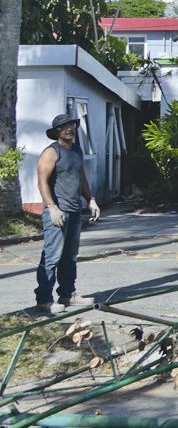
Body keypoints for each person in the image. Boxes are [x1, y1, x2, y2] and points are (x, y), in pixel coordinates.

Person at [34, 112, 100, 314]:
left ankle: (67, 295)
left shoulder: (76, 152)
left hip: (74, 211)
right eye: (64, 126)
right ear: (57, 132)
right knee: (52, 256)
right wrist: (52, 207)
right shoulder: (51, 152)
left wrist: (91, 199)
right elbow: (42, 181)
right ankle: (44, 300)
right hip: (57, 212)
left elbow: (81, 179)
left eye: (72, 125)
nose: (69, 129)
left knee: (69, 256)